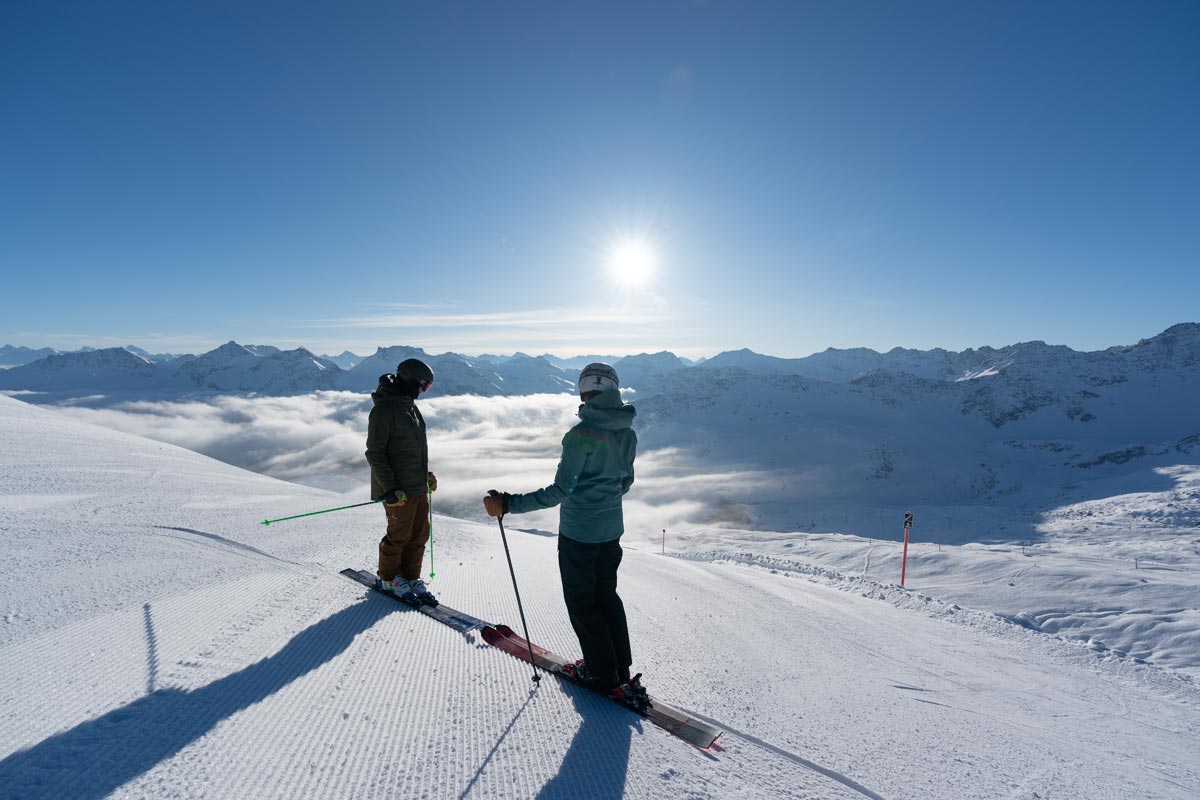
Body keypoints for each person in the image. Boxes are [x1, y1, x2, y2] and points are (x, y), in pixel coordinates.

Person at [483, 362, 638, 693]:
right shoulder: (627, 432)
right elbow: (625, 482)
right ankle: (619, 668)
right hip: (611, 531)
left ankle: (600, 672)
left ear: (584, 393)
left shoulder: (580, 435)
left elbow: (560, 491)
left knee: (583, 602)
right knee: (606, 596)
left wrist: (510, 503)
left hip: (579, 533)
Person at [365, 357, 439, 606]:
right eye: (423, 386)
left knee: (419, 535)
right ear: (410, 381)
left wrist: (425, 476)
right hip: (398, 490)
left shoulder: (408, 406)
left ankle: (410, 577)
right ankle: (388, 579)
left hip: (416, 487)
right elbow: (375, 453)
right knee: (398, 535)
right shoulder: (384, 410)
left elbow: (411, 450)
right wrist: (390, 488)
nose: (423, 391)